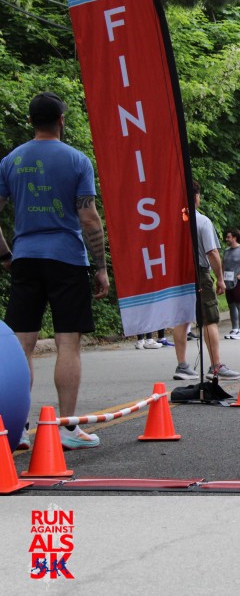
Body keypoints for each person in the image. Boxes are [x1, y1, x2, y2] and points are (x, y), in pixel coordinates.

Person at [0, 92, 110, 450]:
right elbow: (88, 217)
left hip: (26, 259)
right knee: (67, 342)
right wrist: (101, 267)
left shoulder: (11, 161)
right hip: (66, 259)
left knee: (21, 344)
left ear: (30, 121)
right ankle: (66, 428)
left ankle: (15, 427)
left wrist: (5, 255)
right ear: (61, 120)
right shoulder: (77, 160)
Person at [171, 182, 239, 381]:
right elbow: (212, 253)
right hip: (199, 273)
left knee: (181, 318)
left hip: (178, 273)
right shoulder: (202, 221)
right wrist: (220, 279)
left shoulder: (172, 222)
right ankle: (216, 366)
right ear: (196, 197)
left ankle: (182, 365)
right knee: (209, 318)